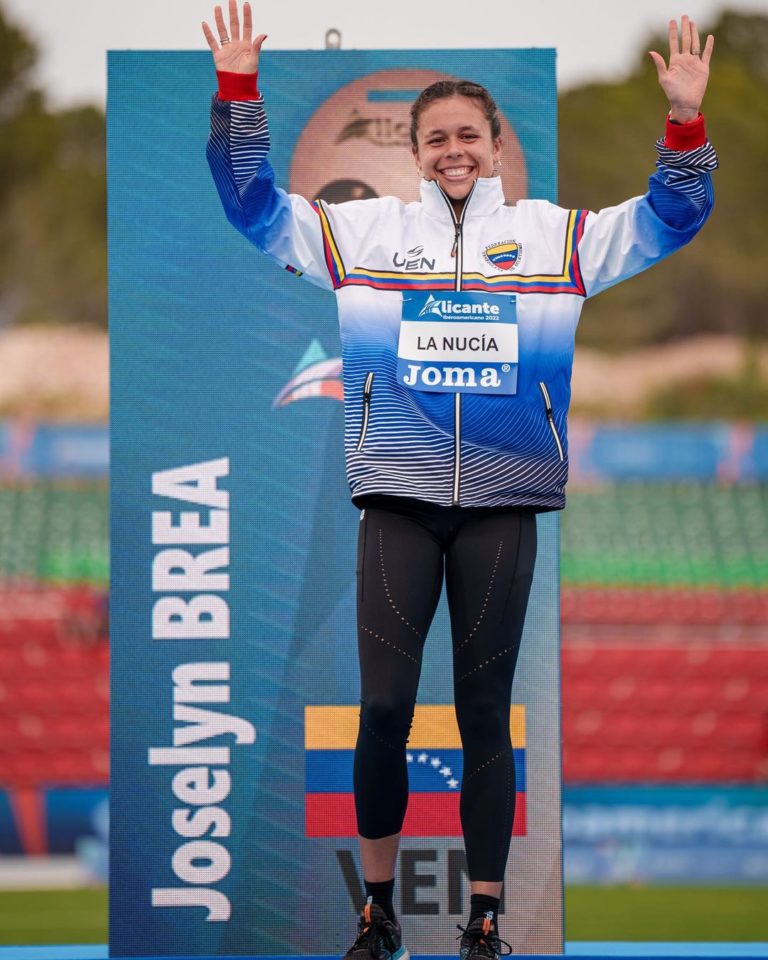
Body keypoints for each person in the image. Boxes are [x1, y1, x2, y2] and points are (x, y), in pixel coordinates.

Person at [202, 4, 716, 958]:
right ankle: (379, 912)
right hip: (396, 505)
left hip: (500, 509)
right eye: (434, 136)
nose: (452, 149)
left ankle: (483, 920)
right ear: (413, 147)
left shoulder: (553, 239)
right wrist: (238, 94)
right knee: (386, 708)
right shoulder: (362, 234)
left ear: (493, 146)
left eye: (467, 135)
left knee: (485, 715)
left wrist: (684, 121)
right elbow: (251, 207)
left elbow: (675, 217)